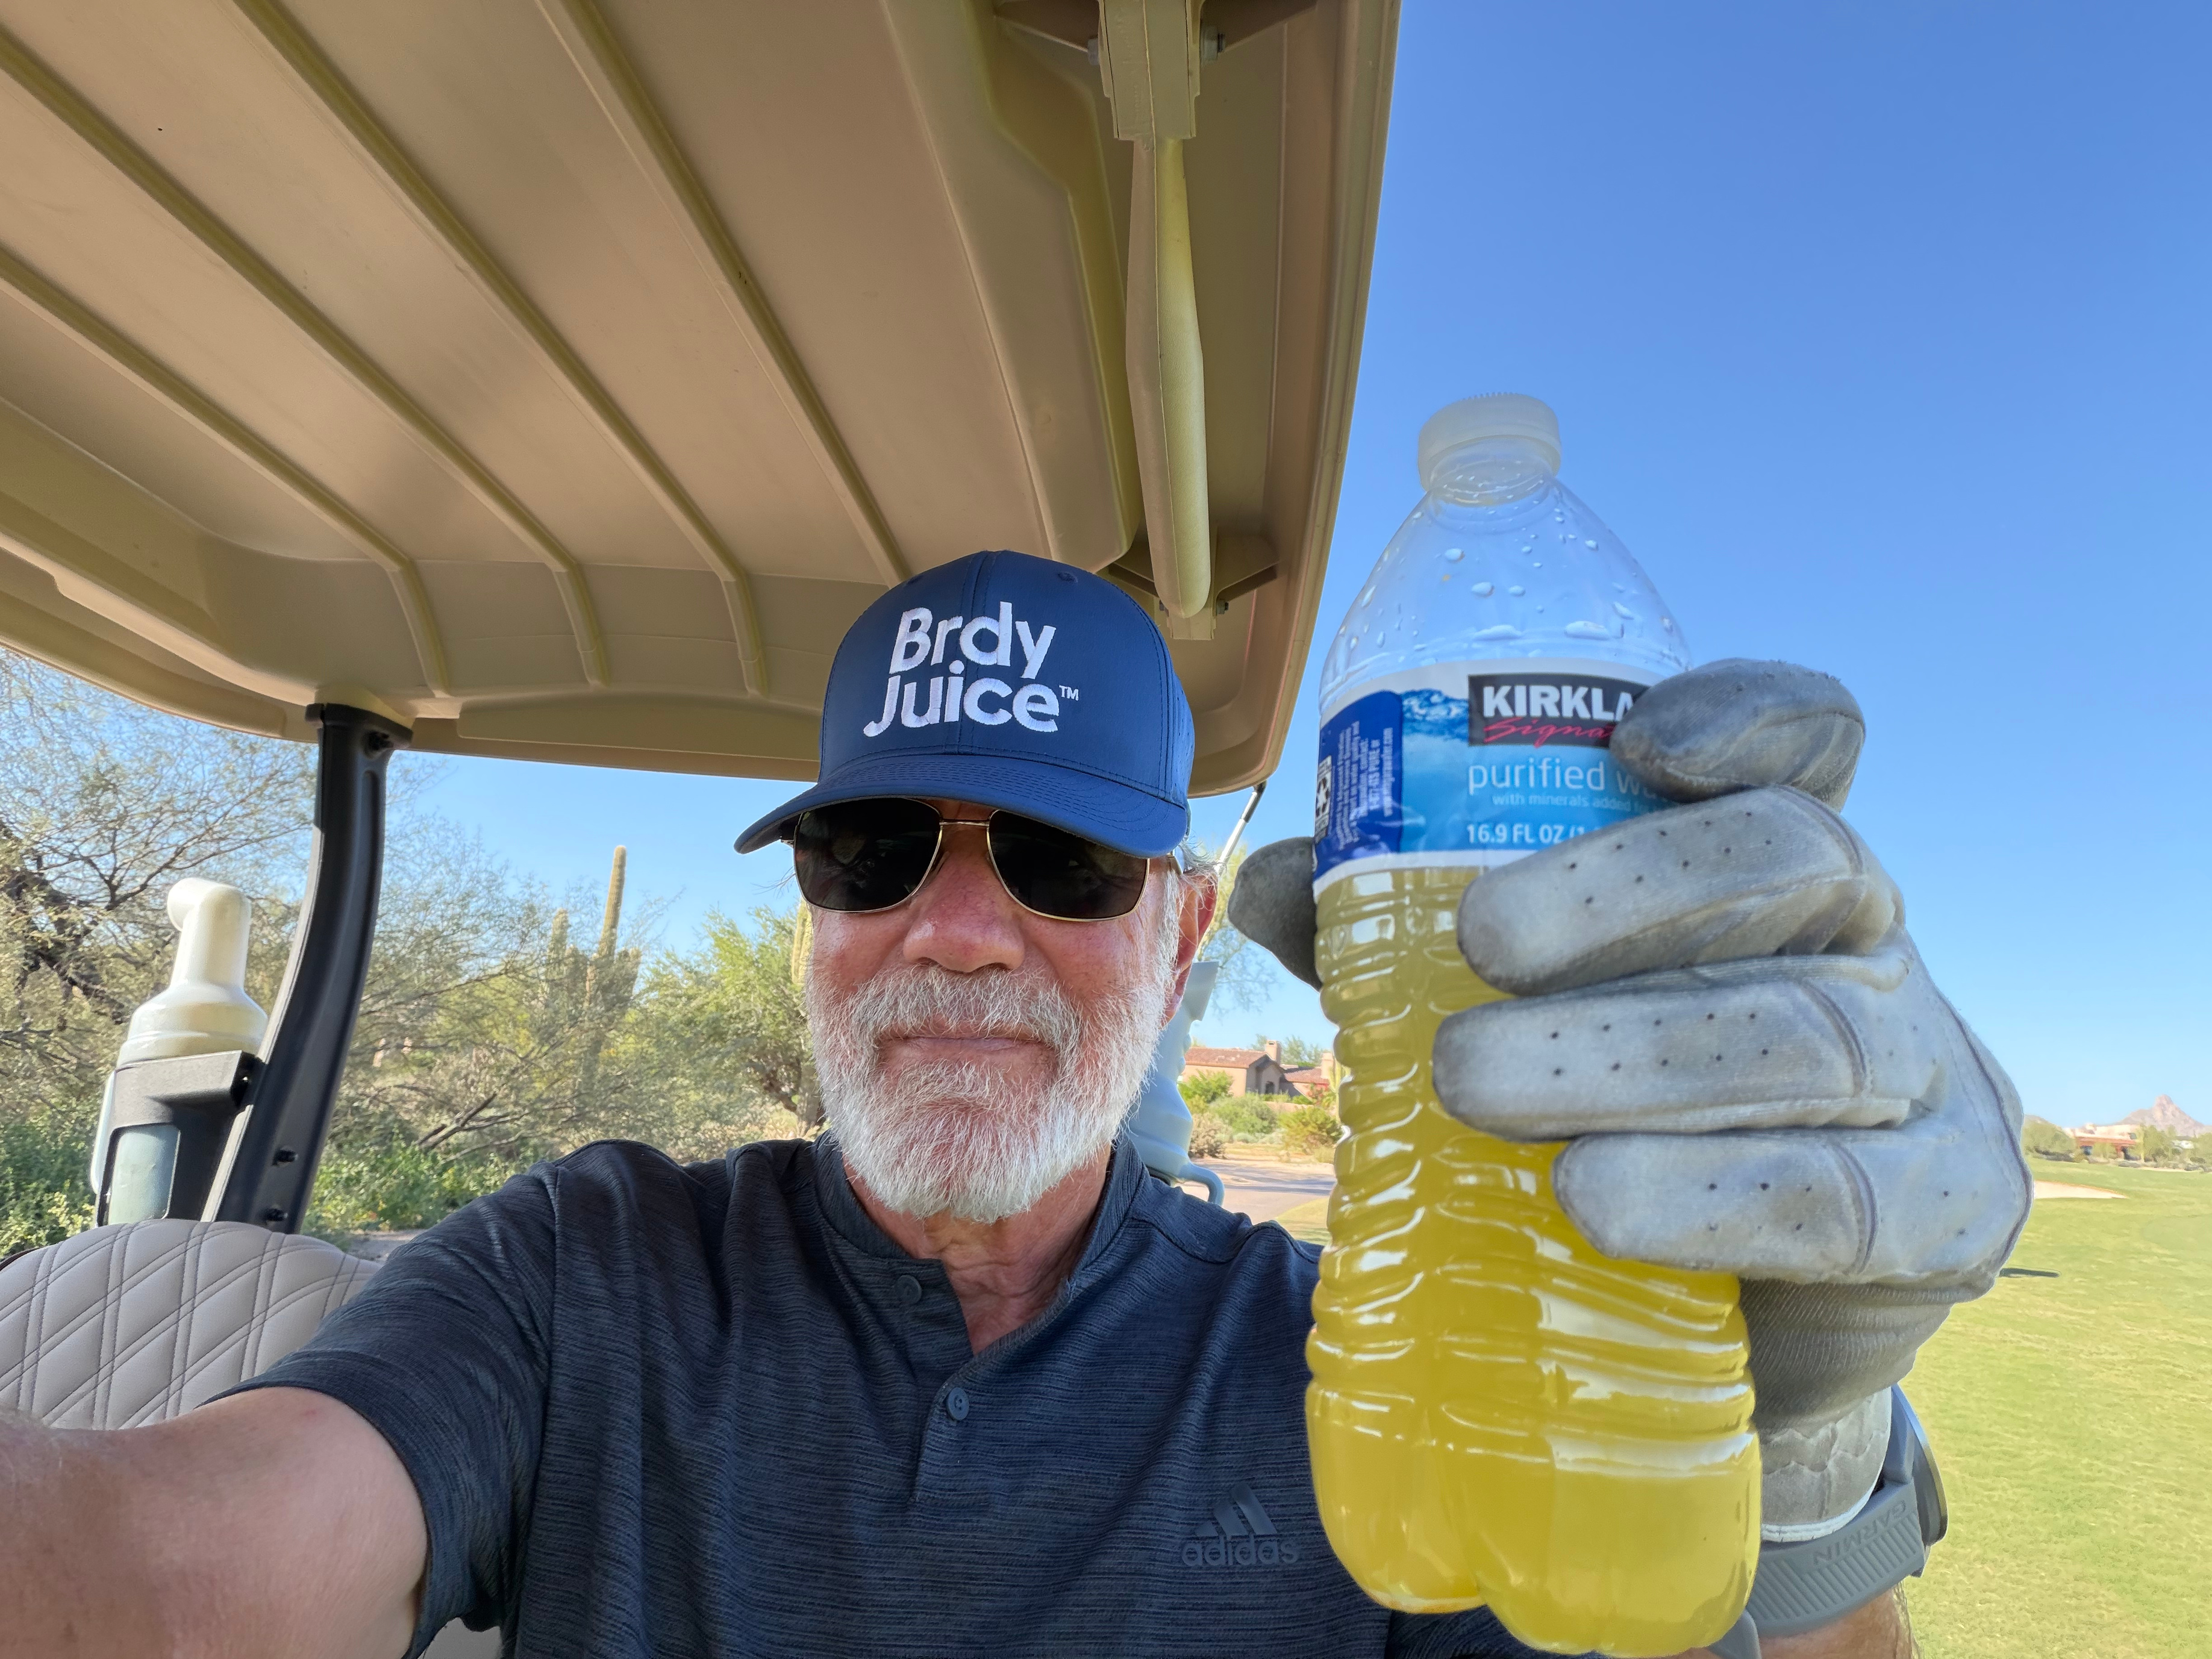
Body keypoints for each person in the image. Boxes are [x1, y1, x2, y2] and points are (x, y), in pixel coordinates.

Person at [0, 550, 2025, 1658]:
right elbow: (189, 1579)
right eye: (874, 845)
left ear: (1176, 928)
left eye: (1056, 861)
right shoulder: (583, 1267)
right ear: (812, 921)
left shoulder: (1355, 1370)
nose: (954, 929)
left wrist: (1817, 1455)